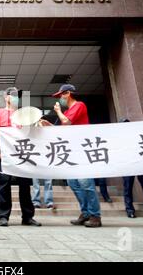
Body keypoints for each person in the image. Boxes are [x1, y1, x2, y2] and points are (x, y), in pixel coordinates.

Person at [42, 84, 102, 228]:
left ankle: (95, 215)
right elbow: (65, 129)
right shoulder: (69, 111)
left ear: (68, 93)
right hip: (71, 151)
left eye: (60, 96)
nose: (59, 99)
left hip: (82, 150)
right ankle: (85, 213)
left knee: (86, 183)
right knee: (73, 183)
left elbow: (66, 122)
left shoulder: (79, 105)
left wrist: (57, 112)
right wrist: (50, 125)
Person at [0, 87, 41, 227]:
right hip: (5, 153)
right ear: (6, 97)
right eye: (12, 95)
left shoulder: (23, 114)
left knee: (25, 185)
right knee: (4, 183)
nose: (15, 98)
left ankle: (27, 217)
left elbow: (30, 132)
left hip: (22, 152)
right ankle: (3, 216)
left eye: (17, 96)